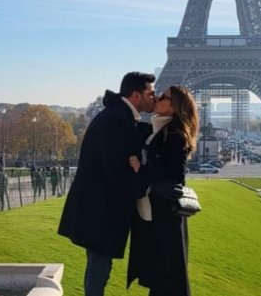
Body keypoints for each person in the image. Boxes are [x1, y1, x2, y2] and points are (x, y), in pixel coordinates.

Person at [58, 71, 156, 296]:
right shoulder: (116, 119)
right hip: (101, 210)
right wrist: (141, 182)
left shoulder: (118, 116)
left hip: (99, 208)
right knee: (99, 269)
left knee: (99, 268)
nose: (154, 97)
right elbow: (115, 167)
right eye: (150, 93)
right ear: (135, 95)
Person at [127, 85, 199, 296]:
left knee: (166, 278)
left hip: (165, 216)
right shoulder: (158, 129)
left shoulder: (175, 135)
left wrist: (143, 169)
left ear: (175, 107)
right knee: (161, 277)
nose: (157, 98)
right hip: (156, 212)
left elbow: (175, 177)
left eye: (163, 97)